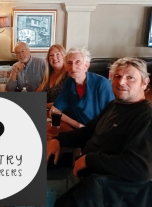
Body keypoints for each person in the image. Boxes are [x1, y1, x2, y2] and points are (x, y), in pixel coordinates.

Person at [47, 57, 152, 207]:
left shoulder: (146, 117)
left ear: (145, 82)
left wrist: (88, 160)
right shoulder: (115, 105)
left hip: (99, 196)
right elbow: (88, 131)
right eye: (117, 76)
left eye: (130, 78)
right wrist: (59, 140)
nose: (121, 82)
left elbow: (140, 169)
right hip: (81, 184)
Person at [51, 47, 114, 128]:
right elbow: (54, 110)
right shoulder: (70, 82)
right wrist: (78, 125)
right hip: (77, 130)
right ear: (66, 67)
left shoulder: (102, 84)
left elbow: (111, 118)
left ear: (87, 65)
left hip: (98, 132)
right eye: (69, 63)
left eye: (78, 62)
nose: (73, 68)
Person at [36, 44, 69, 108]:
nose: (54, 57)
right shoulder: (47, 75)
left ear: (64, 56)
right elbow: (37, 94)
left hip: (61, 114)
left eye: (58, 54)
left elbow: (67, 102)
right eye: (51, 55)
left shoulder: (68, 75)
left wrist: (44, 105)